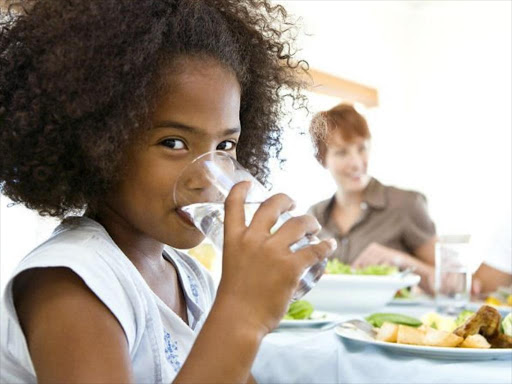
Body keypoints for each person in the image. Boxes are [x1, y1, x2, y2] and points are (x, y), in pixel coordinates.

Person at [0, 1, 336, 382]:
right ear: (98, 145)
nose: (209, 178)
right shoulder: (70, 282)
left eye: (225, 147)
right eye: (174, 143)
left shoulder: (190, 278)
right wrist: (242, 313)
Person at [307, 103, 436, 293]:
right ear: (323, 159)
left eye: (361, 148)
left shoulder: (406, 204)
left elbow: (448, 282)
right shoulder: (315, 216)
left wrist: (399, 260)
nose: (356, 163)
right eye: (342, 152)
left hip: (389, 322)